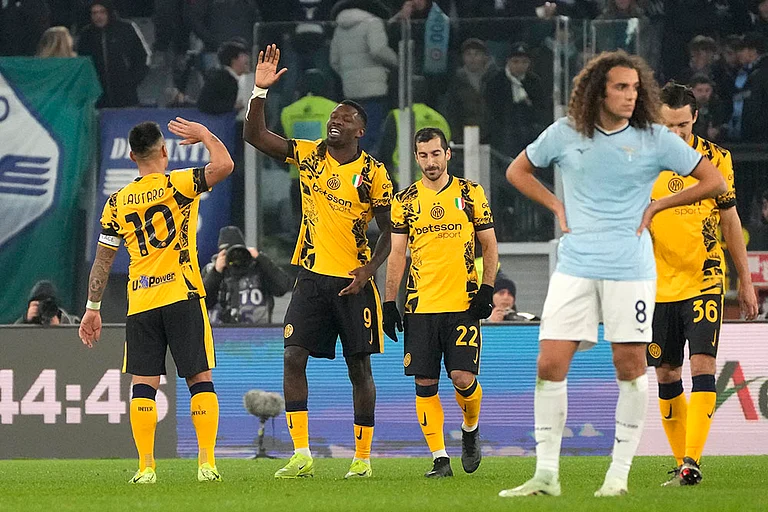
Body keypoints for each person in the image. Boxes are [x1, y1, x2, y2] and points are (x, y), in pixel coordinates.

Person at [498, 50, 727, 498]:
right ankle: (546, 474)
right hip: (576, 264)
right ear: (597, 89)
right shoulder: (565, 133)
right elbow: (517, 170)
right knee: (549, 362)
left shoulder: (653, 138)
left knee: (630, 366)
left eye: (635, 88)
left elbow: (713, 181)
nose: (630, 95)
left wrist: (659, 203)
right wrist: (556, 205)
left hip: (630, 269)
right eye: (621, 87)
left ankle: (618, 475)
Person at [243, 44, 393, 480]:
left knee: (358, 368)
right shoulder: (309, 155)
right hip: (309, 277)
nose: (335, 121)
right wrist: (259, 90)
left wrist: (370, 270)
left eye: (345, 118)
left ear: (360, 131)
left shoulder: (373, 174)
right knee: (293, 357)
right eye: (333, 116)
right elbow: (255, 136)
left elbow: (391, 229)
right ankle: (302, 453)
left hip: (353, 281)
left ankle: (362, 458)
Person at [78, 118, 234, 484]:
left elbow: (103, 260)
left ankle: (146, 466)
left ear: (132, 156)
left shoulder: (117, 203)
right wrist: (206, 136)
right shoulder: (178, 183)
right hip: (181, 293)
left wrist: (93, 308)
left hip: (142, 300)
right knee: (199, 378)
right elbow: (224, 165)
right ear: (164, 151)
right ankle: (206, 464)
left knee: (143, 384)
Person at [648, 81, 759, 487]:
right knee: (665, 373)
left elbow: (730, 221)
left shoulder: (717, 160)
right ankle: (681, 464)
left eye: (681, 124)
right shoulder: (644, 160)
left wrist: (744, 281)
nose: (675, 133)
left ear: (695, 118)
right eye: (667, 125)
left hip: (705, 278)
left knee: (703, 365)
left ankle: (692, 460)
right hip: (658, 285)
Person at [383, 127, 497, 478]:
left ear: (448, 154)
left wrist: (487, 289)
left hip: (463, 303)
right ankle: (439, 459)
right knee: (425, 383)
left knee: (462, 378)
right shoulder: (404, 201)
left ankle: (470, 428)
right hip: (420, 307)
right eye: (423, 155)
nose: (430, 162)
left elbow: (489, 245)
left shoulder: (470, 192)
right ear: (416, 157)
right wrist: (390, 301)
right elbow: (397, 254)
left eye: (436, 154)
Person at [329, 0, 397, 153]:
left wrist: (348, 75)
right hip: (375, 89)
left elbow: (334, 61)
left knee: (355, 131)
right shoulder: (373, 23)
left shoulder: (340, 27)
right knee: (373, 133)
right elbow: (378, 50)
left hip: (351, 91)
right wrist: (397, 61)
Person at [201, 226, 291, 325]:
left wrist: (260, 258)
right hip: (219, 334)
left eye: (238, 253)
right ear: (220, 254)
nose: (235, 258)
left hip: (258, 333)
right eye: (228, 253)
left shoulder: (258, 268)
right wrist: (216, 272)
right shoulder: (211, 270)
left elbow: (283, 287)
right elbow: (202, 304)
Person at [76, 0, 150, 108]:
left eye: (102, 12)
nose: (98, 16)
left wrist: (132, 81)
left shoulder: (126, 29)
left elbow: (143, 56)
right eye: (94, 13)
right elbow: (81, 62)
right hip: (98, 97)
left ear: (109, 12)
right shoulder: (86, 35)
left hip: (126, 96)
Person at [197, 40, 250, 115]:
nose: (247, 58)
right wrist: (232, 107)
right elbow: (205, 104)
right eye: (243, 55)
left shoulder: (231, 78)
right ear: (233, 60)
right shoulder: (221, 78)